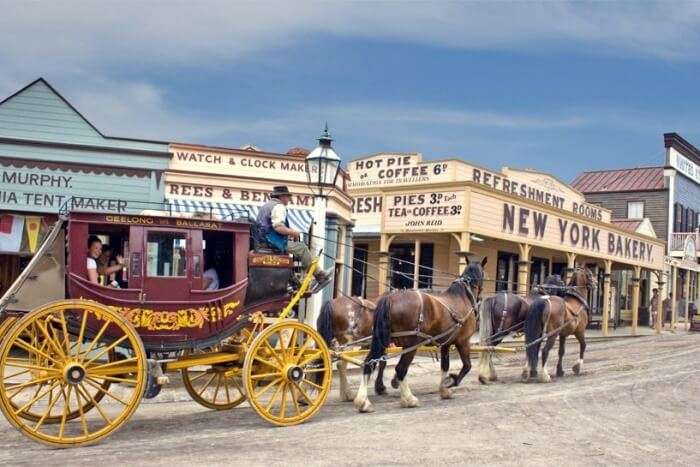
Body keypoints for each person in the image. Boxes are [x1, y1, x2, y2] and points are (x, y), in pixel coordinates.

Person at [256, 186, 332, 292]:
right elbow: (278, 227)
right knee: (302, 248)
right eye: (288, 197)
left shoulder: (266, 206)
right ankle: (320, 275)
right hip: (272, 243)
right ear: (282, 197)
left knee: (292, 251)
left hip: (264, 242)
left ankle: (293, 282)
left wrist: (288, 234)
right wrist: (294, 232)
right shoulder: (279, 206)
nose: (289, 199)